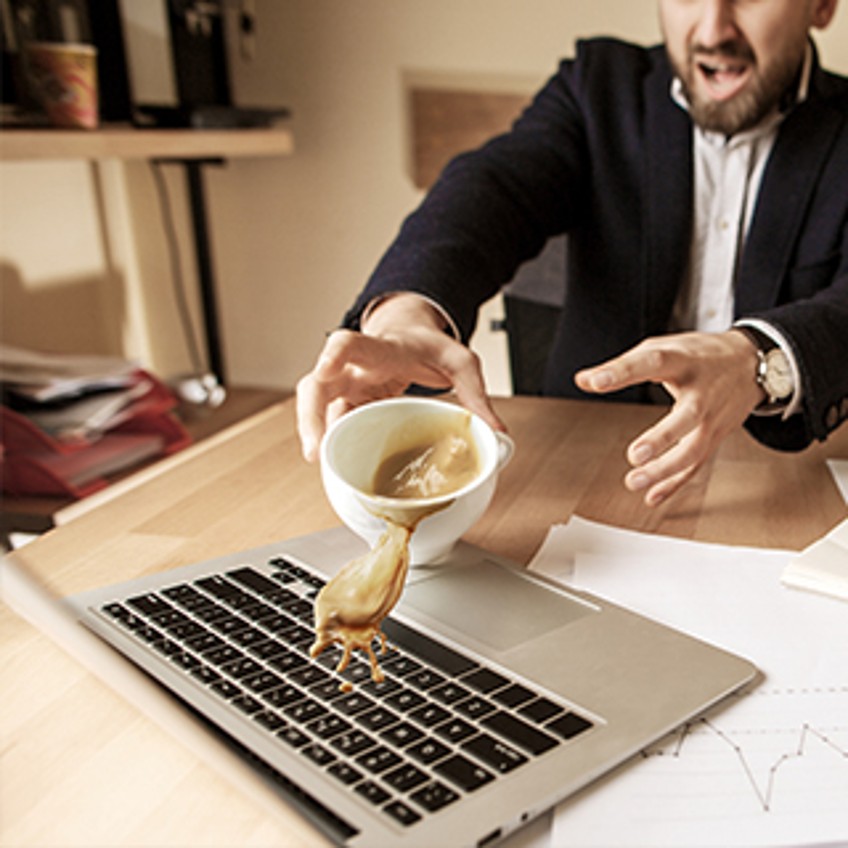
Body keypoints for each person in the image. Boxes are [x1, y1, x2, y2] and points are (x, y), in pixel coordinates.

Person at [297, 0, 848, 507]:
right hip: (582, 483)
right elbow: (494, 188)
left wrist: (758, 362)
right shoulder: (597, 86)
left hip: (783, 485)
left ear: (821, 6)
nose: (713, 29)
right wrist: (405, 314)